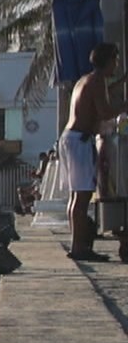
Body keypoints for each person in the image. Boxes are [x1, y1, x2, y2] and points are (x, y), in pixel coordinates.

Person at [64, 42, 124, 261]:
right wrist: (124, 106)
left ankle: (77, 245)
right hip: (80, 140)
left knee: (76, 196)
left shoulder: (88, 79)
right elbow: (105, 111)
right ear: (108, 61)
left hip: (72, 138)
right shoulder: (97, 81)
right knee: (82, 197)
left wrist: (121, 83)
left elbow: (103, 95)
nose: (116, 64)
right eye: (115, 60)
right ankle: (79, 248)